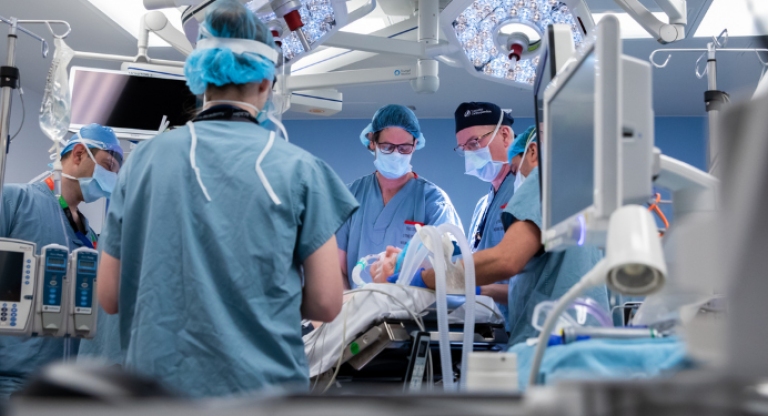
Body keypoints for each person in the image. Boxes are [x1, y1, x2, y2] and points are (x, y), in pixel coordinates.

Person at [94, 0, 358, 398]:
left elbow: (110, 297)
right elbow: (325, 302)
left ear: (200, 77)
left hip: (159, 394)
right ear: (267, 83)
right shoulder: (301, 169)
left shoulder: (142, 162)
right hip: (265, 395)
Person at [379, 127, 609, 346]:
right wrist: (481, 289)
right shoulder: (577, 198)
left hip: (552, 344)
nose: (517, 179)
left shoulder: (543, 182)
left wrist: (425, 278)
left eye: (517, 170)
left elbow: (506, 260)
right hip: (579, 337)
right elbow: (545, 285)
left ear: (533, 152)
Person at [0, 124, 123, 398]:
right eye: (108, 166)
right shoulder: (14, 201)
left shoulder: (90, 236)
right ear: (78, 154)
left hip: (65, 388)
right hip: (11, 382)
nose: (113, 176)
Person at [336, 104, 462, 289]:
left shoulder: (433, 201)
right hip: (356, 309)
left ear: (415, 144)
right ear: (372, 141)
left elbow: (447, 268)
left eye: (404, 148)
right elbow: (335, 269)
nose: (396, 155)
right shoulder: (348, 197)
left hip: (414, 312)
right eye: (387, 147)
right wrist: (349, 310)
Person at [454, 102, 517, 323]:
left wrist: (480, 290)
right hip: (494, 328)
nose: (470, 153)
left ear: (505, 134)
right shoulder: (483, 206)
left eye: (474, 142)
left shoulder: (528, 189)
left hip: (533, 325)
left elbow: (534, 283)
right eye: (463, 148)